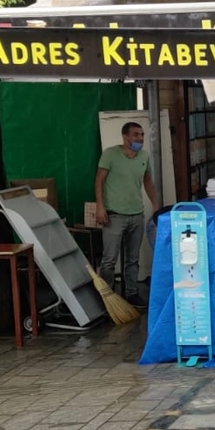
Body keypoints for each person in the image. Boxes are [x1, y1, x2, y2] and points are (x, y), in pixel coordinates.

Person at [95, 122, 158, 309]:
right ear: (125, 137)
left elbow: (148, 181)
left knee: (133, 258)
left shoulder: (144, 156)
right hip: (114, 215)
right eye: (136, 134)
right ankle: (107, 297)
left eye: (142, 134)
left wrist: (155, 206)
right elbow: (99, 180)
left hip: (136, 214)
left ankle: (132, 292)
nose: (140, 138)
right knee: (109, 259)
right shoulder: (110, 154)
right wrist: (100, 207)